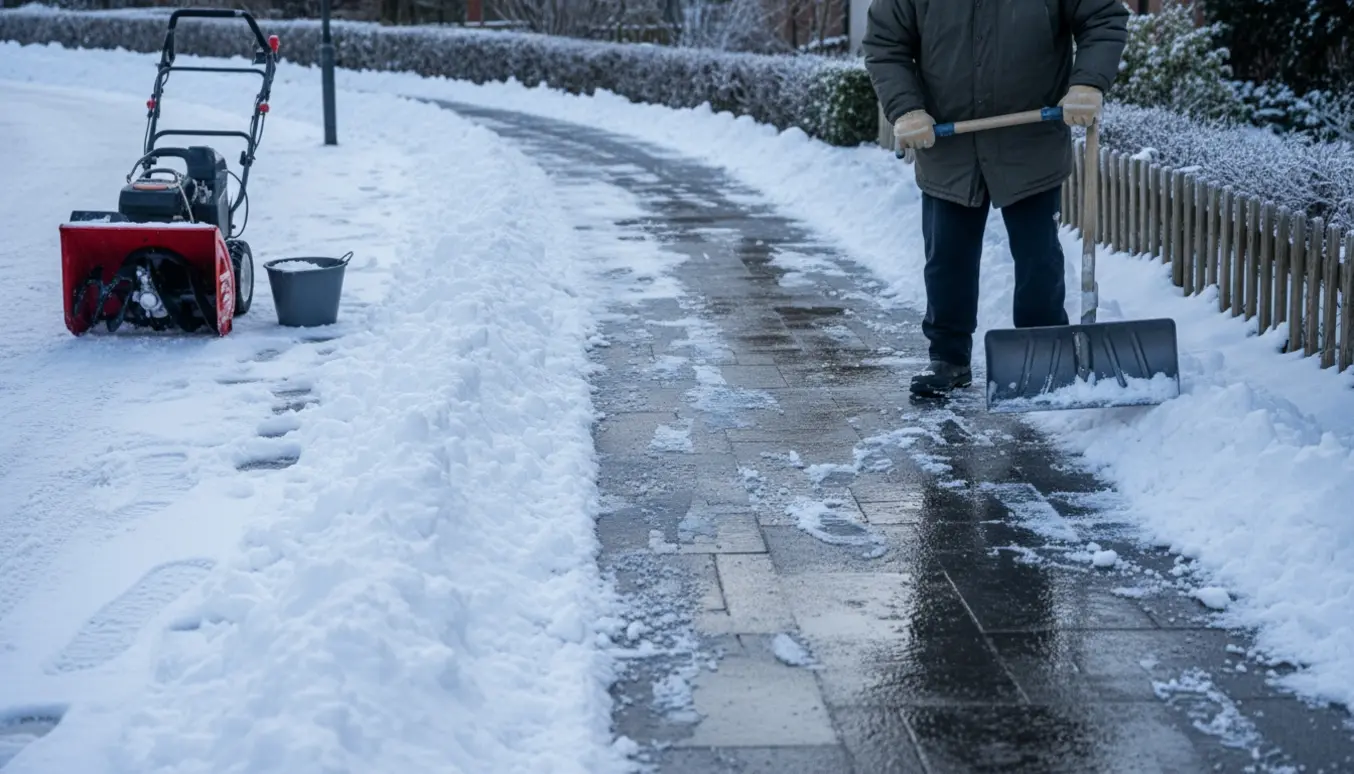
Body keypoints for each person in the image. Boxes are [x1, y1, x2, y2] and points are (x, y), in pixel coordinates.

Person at [862, 0, 1129, 396]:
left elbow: (1104, 16)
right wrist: (906, 109)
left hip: (1029, 143)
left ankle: (1043, 353)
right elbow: (886, 42)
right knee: (947, 258)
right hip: (948, 145)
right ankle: (948, 357)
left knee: (1039, 259)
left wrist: (1087, 82)